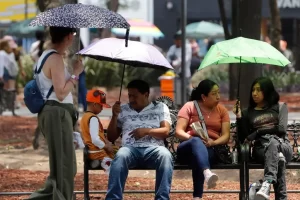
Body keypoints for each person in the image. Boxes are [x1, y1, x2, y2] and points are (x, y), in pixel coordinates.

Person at [27, 26, 83, 200]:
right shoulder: (55, 58)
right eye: (73, 34)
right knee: (64, 166)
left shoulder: (46, 56)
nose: (73, 38)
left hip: (54, 113)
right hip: (56, 113)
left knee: (64, 165)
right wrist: (75, 75)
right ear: (67, 37)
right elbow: (60, 92)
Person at [105, 80, 174, 200]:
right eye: (129, 95)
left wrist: (146, 131)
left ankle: (162, 198)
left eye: (135, 96)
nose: (131, 99)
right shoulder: (123, 110)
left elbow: (166, 131)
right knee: (121, 155)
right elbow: (111, 137)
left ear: (146, 94)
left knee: (165, 155)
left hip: (154, 149)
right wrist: (115, 116)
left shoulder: (160, 107)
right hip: (130, 150)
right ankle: (113, 198)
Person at [233, 77, 293, 200]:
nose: (254, 93)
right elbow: (245, 137)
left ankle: (265, 184)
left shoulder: (280, 107)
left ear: (267, 91)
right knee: (279, 159)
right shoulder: (248, 112)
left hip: (283, 145)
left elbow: (281, 129)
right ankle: (269, 185)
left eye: (259, 90)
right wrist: (239, 116)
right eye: (253, 90)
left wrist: (259, 131)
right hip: (261, 149)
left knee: (274, 143)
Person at [175, 79, 230, 200]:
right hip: (187, 148)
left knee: (199, 157)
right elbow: (178, 131)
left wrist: (213, 142)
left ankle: (197, 197)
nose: (218, 96)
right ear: (204, 97)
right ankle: (206, 172)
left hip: (211, 149)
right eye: (214, 93)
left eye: (218, 93)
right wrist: (193, 139)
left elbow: (226, 136)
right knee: (196, 142)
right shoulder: (189, 106)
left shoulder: (222, 110)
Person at [80, 89, 118, 172]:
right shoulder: (93, 118)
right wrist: (106, 146)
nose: (102, 109)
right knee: (118, 163)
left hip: (92, 151)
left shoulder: (85, 117)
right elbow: (95, 139)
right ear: (94, 104)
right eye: (101, 106)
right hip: (98, 153)